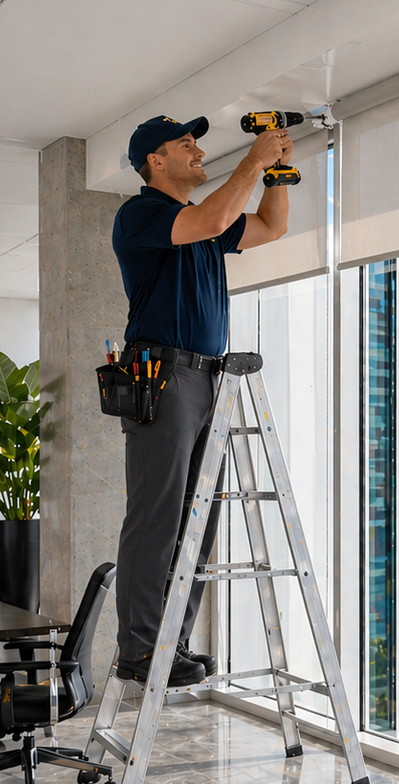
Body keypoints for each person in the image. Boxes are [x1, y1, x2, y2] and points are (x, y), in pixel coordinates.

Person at [110, 114, 293, 686]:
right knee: (157, 516)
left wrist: (279, 170)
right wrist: (253, 160)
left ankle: (173, 644)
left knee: (197, 521)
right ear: (155, 162)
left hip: (211, 378)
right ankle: (139, 649)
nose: (197, 148)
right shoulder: (140, 214)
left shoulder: (207, 226)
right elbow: (214, 215)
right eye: (184, 143)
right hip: (160, 374)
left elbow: (271, 227)